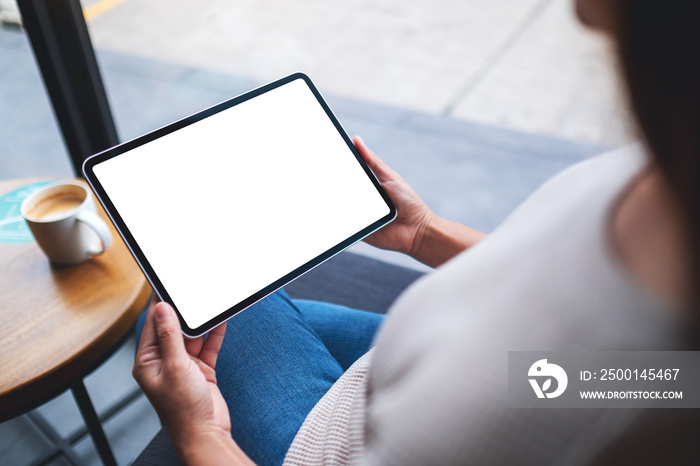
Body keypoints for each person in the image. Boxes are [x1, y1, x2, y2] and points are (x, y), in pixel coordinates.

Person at [133, 0, 700, 464]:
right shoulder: (672, 166)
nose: (581, 13)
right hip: (478, 369)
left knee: (179, 305)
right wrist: (423, 232)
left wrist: (199, 432)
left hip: (344, 443)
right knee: (230, 298)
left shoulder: (490, 428)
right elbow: (633, 367)